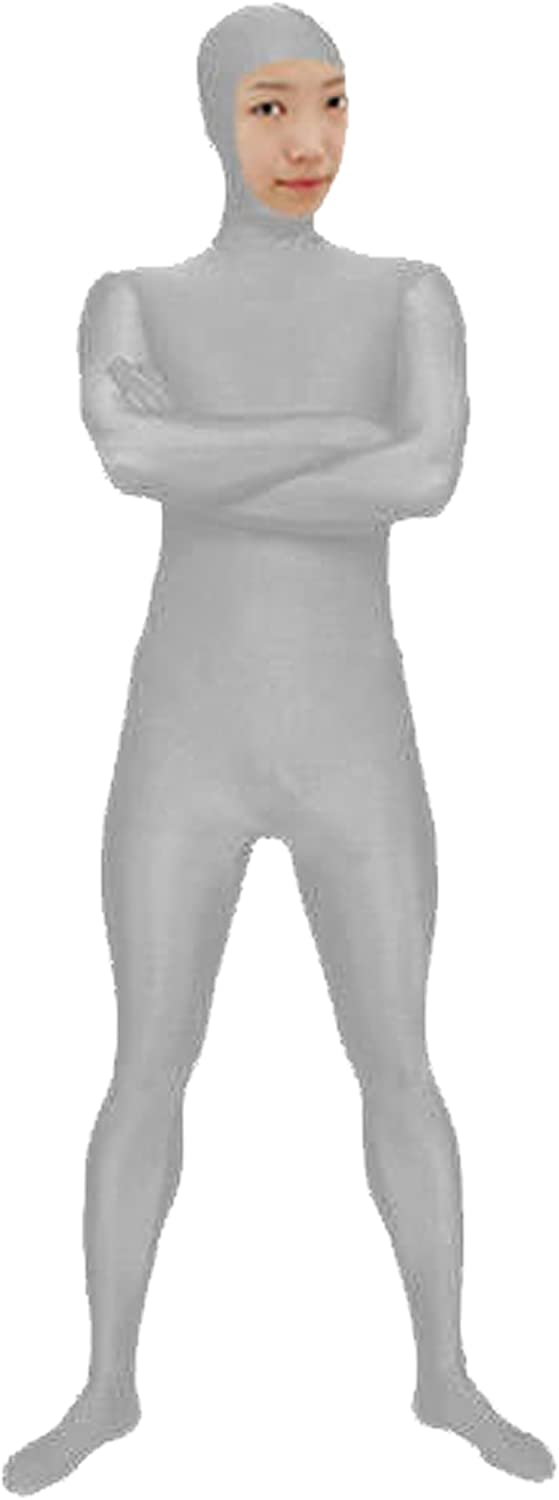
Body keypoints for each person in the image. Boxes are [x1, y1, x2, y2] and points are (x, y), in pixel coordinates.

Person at [3, 4, 555, 1490]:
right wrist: (336, 433)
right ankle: (106, 1386)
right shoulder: (127, 297)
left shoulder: (413, 294)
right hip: (182, 743)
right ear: (212, 118)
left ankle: (445, 1373)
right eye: (268, 108)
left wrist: (220, 453)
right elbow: (131, 457)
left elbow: (427, 477)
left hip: (354, 741)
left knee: (401, 1062)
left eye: (331, 102)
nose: (308, 140)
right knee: (144, 1063)